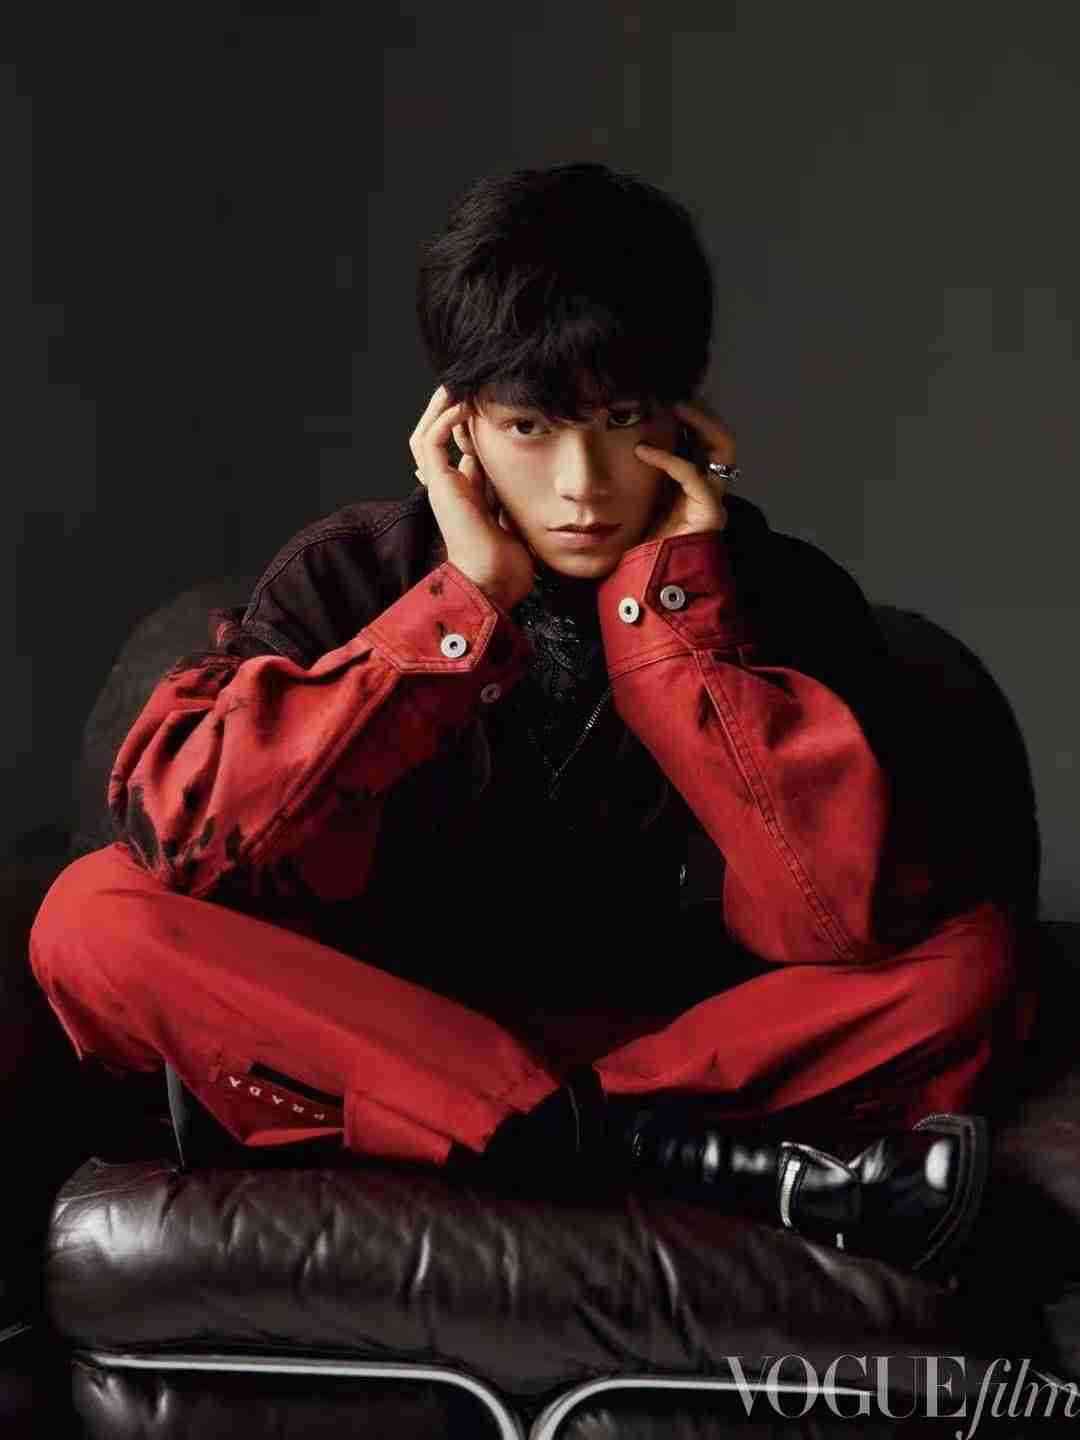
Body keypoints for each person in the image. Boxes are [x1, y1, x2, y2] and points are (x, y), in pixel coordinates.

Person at [28, 162, 1036, 1274]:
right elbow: (186, 843)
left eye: (621, 421)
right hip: (382, 1024)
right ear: (456, 427)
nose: (582, 484)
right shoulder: (344, 575)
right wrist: (460, 610)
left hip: (674, 1046)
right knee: (89, 917)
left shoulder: (781, 592)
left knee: (974, 962)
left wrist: (675, 629)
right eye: (529, 427)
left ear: (685, 416)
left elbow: (836, 922)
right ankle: (655, 1155)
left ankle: (500, 1132)